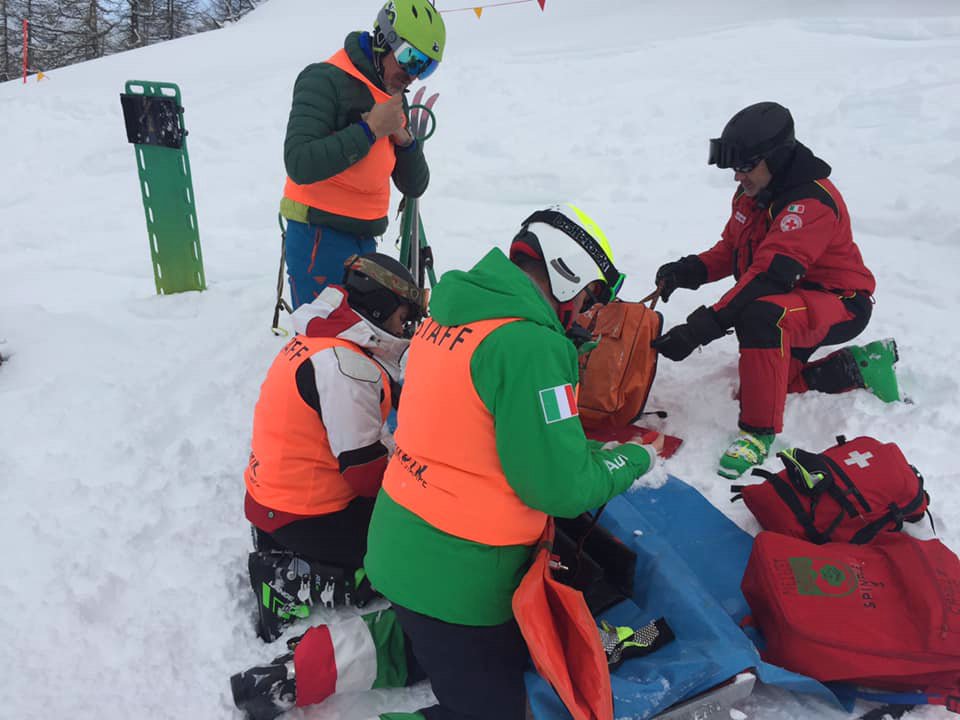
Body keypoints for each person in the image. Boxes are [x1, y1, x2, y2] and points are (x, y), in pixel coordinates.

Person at [651, 101, 900, 480]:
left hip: (840, 303)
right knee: (764, 384)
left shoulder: (811, 204)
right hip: (794, 302)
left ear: (778, 158)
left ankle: (757, 434)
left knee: (763, 317)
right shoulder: (753, 194)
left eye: (746, 166)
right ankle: (858, 367)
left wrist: (700, 328)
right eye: (736, 168)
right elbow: (730, 251)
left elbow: (769, 277)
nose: (738, 177)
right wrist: (688, 271)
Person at [244, 252, 427, 642]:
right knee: (417, 543)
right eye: (402, 317)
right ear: (378, 310)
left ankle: (298, 555)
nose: (405, 327)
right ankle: (296, 583)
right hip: (304, 514)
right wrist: (417, 468)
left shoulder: (319, 339)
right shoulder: (346, 366)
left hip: (276, 502)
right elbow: (365, 477)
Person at [280, 0, 445, 308]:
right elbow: (299, 161)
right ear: (384, 40)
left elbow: (414, 186)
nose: (413, 74)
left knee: (363, 340)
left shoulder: (395, 97)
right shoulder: (324, 79)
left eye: (425, 67)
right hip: (318, 235)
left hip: (366, 240)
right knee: (324, 343)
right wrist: (369, 131)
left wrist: (405, 140)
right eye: (410, 57)